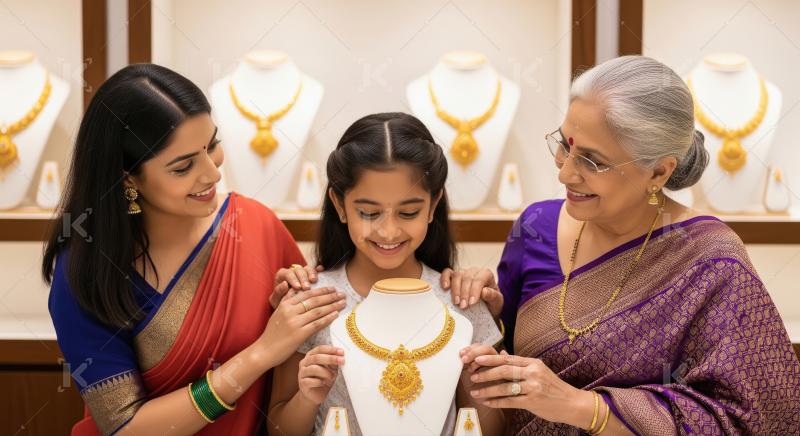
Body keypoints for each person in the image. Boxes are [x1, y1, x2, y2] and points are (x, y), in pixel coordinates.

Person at [461, 55, 800, 435]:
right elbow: (498, 389)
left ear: (659, 171)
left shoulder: (711, 259)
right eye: (563, 144)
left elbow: (755, 420)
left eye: (591, 161)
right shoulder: (536, 226)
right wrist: (480, 316)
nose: (564, 172)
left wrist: (581, 406)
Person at [43, 63, 345, 435]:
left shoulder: (255, 225)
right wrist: (260, 354)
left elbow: (316, 345)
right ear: (128, 178)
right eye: (184, 166)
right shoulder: (86, 270)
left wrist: (433, 278)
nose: (212, 173)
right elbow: (125, 427)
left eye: (212, 145)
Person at [267, 113, 505, 435]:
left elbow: (491, 430)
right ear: (339, 205)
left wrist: (474, 381)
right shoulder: (310, 303)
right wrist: (308, 399)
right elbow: (278, 429)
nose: (389, 231)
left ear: (433, 205)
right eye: (368, 213)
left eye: (409, 212)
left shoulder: (462, 302)